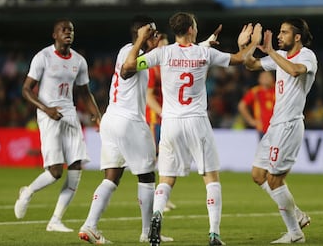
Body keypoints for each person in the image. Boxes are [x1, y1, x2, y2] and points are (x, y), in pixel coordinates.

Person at [121, 12, 262, 246]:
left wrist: (138, 41)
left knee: (166, 178)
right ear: (190, 30)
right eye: (195, 26)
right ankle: (214, 234)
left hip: (171, 122)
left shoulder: (162, 54)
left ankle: (156, 216)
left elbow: (128, 66)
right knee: (211, 178)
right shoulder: (204, 53)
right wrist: (253, 42)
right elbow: (239, 59)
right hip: (196, 120)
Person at [78, 15, 173, 244]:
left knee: (112, 177)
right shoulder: (130, 52)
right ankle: (148, 232)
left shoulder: (137, 54)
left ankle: (90, 225)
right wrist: (141, 39)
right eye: (153, 32)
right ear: (142, 33)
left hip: (112, 119)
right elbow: (126, 71)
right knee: (147, 176)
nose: (157, 36)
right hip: (129, 120)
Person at [14, 18, 101, 232]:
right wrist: (46, 109)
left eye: (71, 30)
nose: (68, 32)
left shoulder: (79, 61)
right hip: (48, 114)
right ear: (55, 35)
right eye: (63, 30)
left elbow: (83, 92)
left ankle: (55, 220)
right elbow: (26, 89)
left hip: (69, 114)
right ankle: (27, 192)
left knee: (76, 166)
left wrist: (96, 114)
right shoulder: (42, 57)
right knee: (55, 172)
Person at [243, 18, 317, 243]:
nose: (279, 35)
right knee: (258, 175)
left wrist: (272, 52)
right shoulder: (281, 57)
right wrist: (245, 47)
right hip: (275, 125)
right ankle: (297, 215)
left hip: (289, 125)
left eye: (284, 32)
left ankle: (295, 234)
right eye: (279, 32)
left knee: (275, 180)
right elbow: (252, 65)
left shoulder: (307, 56)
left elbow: (295, 71)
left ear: (297, 37)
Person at [146, 33, 177, 213]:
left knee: (167, 157)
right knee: (155, 158)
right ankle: (152, 199)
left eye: (166, 46)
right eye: (161, 46)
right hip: (154, 119)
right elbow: (148, 96)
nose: (163, 50)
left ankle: (164, 198)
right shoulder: (152, 68)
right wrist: (162, 113)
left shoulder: (168, 66)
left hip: (167, 117)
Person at [238, 71, 275, 138]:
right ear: (259, 79)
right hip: (262, 128)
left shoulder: (277, 90)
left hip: (277, 127)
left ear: (272, 78)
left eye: (267, 76)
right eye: (263, 77)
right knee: (264, 148)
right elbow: (241, 105)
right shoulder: (255, 92)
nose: (265, 78)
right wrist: (251, 121)